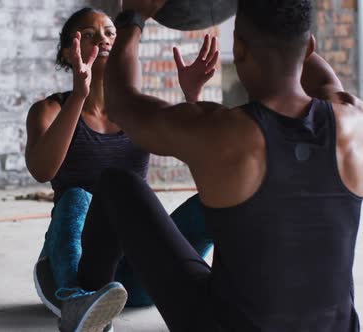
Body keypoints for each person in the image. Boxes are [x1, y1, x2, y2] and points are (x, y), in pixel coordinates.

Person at [61, 0, 363, 331]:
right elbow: (323, 80)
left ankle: (84, 297)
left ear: (240, 49)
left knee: (118, 184)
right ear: (309, 47)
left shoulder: (221, 132)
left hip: (222, 325)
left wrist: (134, 16)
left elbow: (122, 103)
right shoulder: (353, 122)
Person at [24, 6, 219, 331]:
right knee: (76, 196)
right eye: (90, 34)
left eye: (110, 33)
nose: (103, 39)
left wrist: (192, 97)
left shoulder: (137, 112)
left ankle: (227, 294)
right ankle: (75, 301)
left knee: (210, 205)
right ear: (67, 53)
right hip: (77, 265)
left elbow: (205, 158)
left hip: (134, 274)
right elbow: (42, 170)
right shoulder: (47, 110)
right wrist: (79, 95)